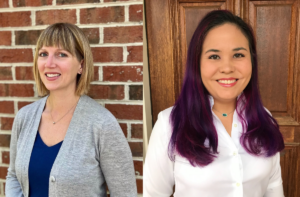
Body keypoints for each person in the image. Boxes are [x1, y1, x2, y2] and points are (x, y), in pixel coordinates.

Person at [144, 10, 285, 197]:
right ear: (197, 63)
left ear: (252, 60)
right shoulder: (169, 124)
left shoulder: (264, 119)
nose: (227, 68)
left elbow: (273, 188)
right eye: (214, 56)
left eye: (238, 55)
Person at [6, 23, 137, 197]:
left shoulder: (102, 124)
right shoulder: (25, 117)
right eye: (44, 54)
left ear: (81, 65)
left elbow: (124, 193)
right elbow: (14, 175)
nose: (49, 63)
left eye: (62, 54)